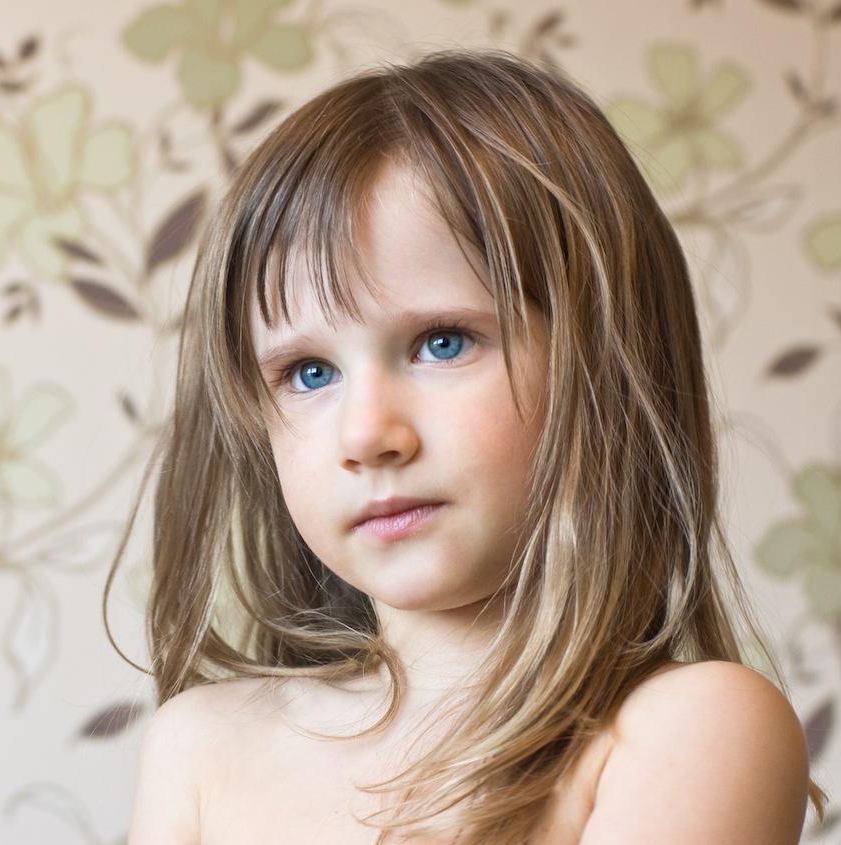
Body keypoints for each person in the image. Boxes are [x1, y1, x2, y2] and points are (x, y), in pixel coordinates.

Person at [120, 50, 817, 843]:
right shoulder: (199, 747)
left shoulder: (690, 729)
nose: (366, 435)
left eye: (442, 342)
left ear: (608, 364)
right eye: (310, 372)